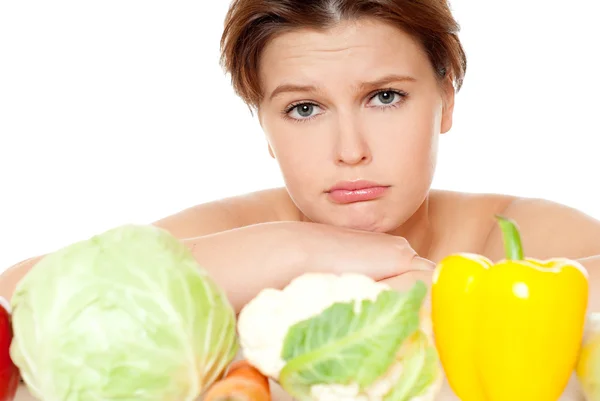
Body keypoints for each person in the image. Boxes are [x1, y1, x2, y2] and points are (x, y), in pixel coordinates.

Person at [2, 0, 600, 317]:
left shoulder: (517, 232)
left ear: (445, 99)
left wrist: (436, 289)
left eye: (384, 97)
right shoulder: (236, 235)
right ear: (262, 122)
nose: (350, 151)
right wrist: (300, 250)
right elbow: (18, 294)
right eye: (305, 110)